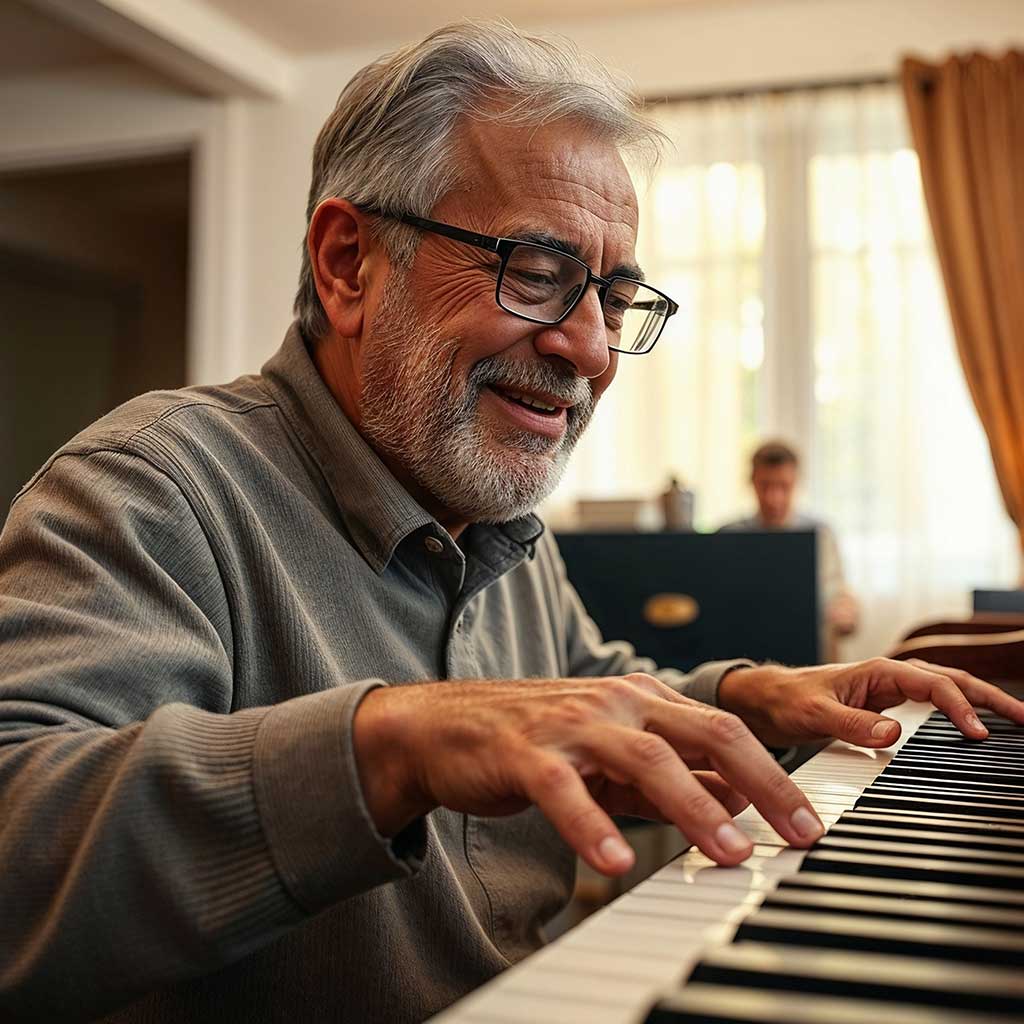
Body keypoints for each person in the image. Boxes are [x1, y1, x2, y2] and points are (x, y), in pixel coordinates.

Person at [1, 23, 1020, 1024]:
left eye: (614, 300)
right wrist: (394, 745)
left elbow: (582, 697)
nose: (593, 352)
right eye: (536, 273)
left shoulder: (496, 516)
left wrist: (751, 697)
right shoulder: (150, 489)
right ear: (349, 263)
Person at [720, 440, 860, 653]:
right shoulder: (729, 535)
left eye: (784, 486)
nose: (773, 498)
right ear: (752, 482)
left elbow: (839, 592)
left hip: (809, 655)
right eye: (765, 486)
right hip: (744, 653)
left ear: (797, 482)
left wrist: (846, 612)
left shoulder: (821, 534)